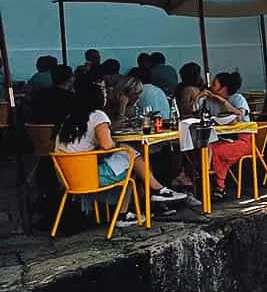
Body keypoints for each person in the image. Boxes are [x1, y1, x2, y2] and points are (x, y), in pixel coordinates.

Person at [55, 80, 182, 225]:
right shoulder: (97, 115)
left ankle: (129, 211)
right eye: (103, 93)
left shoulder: (70, 118)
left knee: (129, 165)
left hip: (66, 176)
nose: (106, 95)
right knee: (129, 154)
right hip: (88, 176)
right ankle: (156, 191)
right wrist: (120, 144)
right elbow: (107, 145)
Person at [197, 72, 253, 199]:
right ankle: (215, 185)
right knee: (207, 148)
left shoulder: (238, 98)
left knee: (216, 151)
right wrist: (197, 98)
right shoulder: (209, 101)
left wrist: (221, 100)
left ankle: (217, 185)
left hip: (243, 141)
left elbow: (239, 115)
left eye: (215, 84)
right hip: (223, 138)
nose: (211, 87)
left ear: (224, 88)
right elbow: (197, 113)